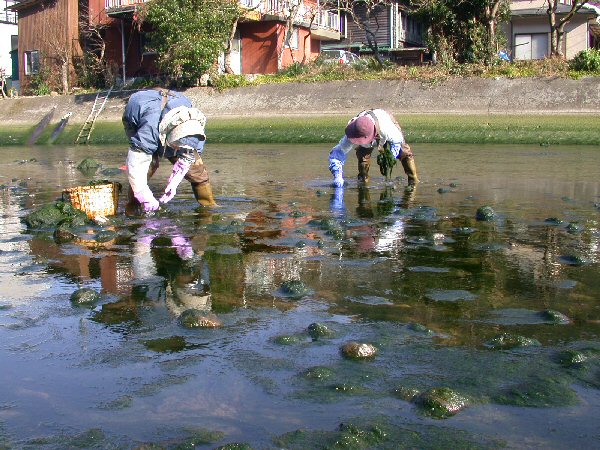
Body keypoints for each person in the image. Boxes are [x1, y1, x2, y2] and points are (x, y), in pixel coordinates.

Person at [122, 88, 217, 215]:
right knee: (146, 169)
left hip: (170, 111)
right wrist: (143, 194)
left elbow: (189, 154)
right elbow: (135, 166)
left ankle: (209, 207)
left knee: (197, 171)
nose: (178, 150)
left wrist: (176, 178)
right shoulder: (149, 129)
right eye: (177, 145)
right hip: (138, 115)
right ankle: (133, 208)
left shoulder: (195, 125)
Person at [328, 109, 419, 187]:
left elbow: (397, 142)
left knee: (404, 152)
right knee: (363, 154)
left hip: (384, 120)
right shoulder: (354, 131)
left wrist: (391, 158)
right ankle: (363, 180)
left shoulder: (388, 129)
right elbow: (337, 154)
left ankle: (413, 180)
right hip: (364, 124)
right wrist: (337, 176)